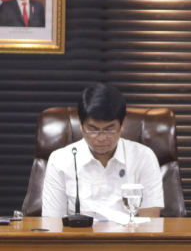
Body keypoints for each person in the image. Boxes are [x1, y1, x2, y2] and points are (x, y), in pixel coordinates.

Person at [42, 83, 164, 218]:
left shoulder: (144, 158)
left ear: (123, 123)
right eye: (93, 130)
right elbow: (52, 224)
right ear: (80, 124)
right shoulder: (59, 161)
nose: (101, 138)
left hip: (129, 232)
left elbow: (150, 223)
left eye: (110, 129)